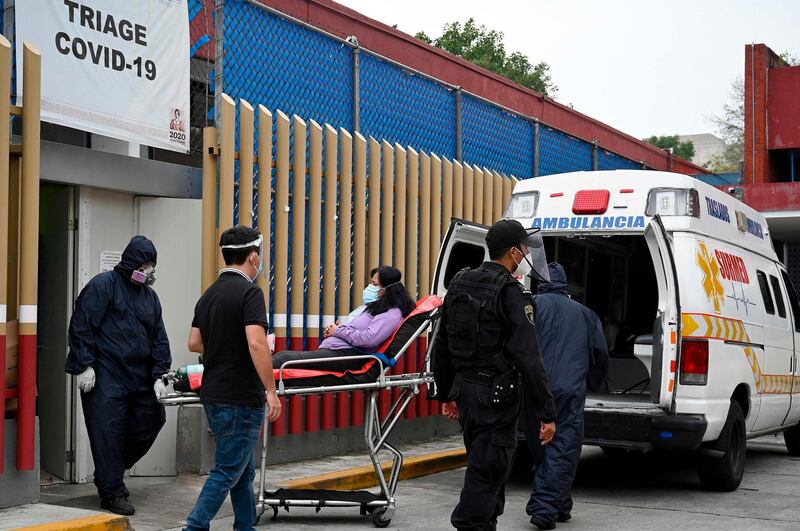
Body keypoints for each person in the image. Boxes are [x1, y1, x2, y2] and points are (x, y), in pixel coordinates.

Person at [434, 219, 557, 531]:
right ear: (514, 252)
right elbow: (529, 358)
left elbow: (443, 343)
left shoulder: (460, 282)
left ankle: (485, 522)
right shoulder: (512, 293)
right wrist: (547, 411)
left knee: (487, 467)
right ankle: (471, 523)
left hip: (466, 394)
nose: (528, 253)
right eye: (525, 248)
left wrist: (447, 393)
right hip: (496, 398)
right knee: (488, 470)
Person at [184, 225, 282, 531]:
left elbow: (194, 342)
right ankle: (194, 527)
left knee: (243, 471)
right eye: (260, 255)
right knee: (228, 470)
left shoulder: (209, 294)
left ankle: (245, 525)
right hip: (241, 397)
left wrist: (226, 342)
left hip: (214, 394)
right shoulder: (251, 293)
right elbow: (256, 342)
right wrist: (271, 390)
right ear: (253, 256)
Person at [65, 236, 171, 516]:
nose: (149, 271)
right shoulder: (104, 286)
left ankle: (110, 467)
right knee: (107, 431)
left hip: (140, 375)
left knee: (153, 418)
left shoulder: (150, 297)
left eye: (152, 266)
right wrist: (83, 364)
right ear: (132, 263)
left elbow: (159, 337)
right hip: (106, 374)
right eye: (145, 265)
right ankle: (112, 492)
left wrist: (160, 374)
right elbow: (82, 324)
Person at [523, 262, 609, 530]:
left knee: (540, 445)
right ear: (565, 285)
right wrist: (596, 382)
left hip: (534, 388)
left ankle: (560, 503)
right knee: (564, 446)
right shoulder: (586, 314)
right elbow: (600, 354)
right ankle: (545, 508)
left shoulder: (531, 306)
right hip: (569, 389)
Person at [272, 266, 415, 372]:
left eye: (375, 284)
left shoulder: (392, 313)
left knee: (283, 360)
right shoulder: (376, 307)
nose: (370, 287)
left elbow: (369, 339)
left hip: (350, 356)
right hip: (340, 351)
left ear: (388, 288)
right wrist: (337, 329)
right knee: (282, 355)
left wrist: (338, 331)